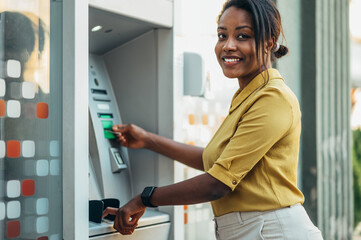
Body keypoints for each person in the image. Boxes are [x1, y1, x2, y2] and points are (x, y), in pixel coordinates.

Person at [102, 0, 324, 239]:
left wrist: (144, 198)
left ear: (269, 41)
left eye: (242, 36)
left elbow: (217, 183)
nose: (228, 46)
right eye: (222, 35)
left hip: (273, 231)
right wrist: (147, 140)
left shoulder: (273, 97)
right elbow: (213, 161)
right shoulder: (248, 96)